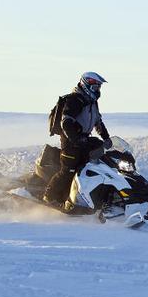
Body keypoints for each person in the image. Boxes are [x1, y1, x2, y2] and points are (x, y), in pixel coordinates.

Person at [42, 72, 113, 210]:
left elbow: (98, 122)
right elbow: (66, 122)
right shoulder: (75, 100)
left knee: (92, 167)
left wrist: (106, 138)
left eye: (99, 88)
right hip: (70, 141)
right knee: (69, 169)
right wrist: (75, 139)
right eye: (95, 88)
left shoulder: (92, 102)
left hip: (83, 139)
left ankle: (88, 199)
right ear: (86, 85)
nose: (97, 91)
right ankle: (49, 197)